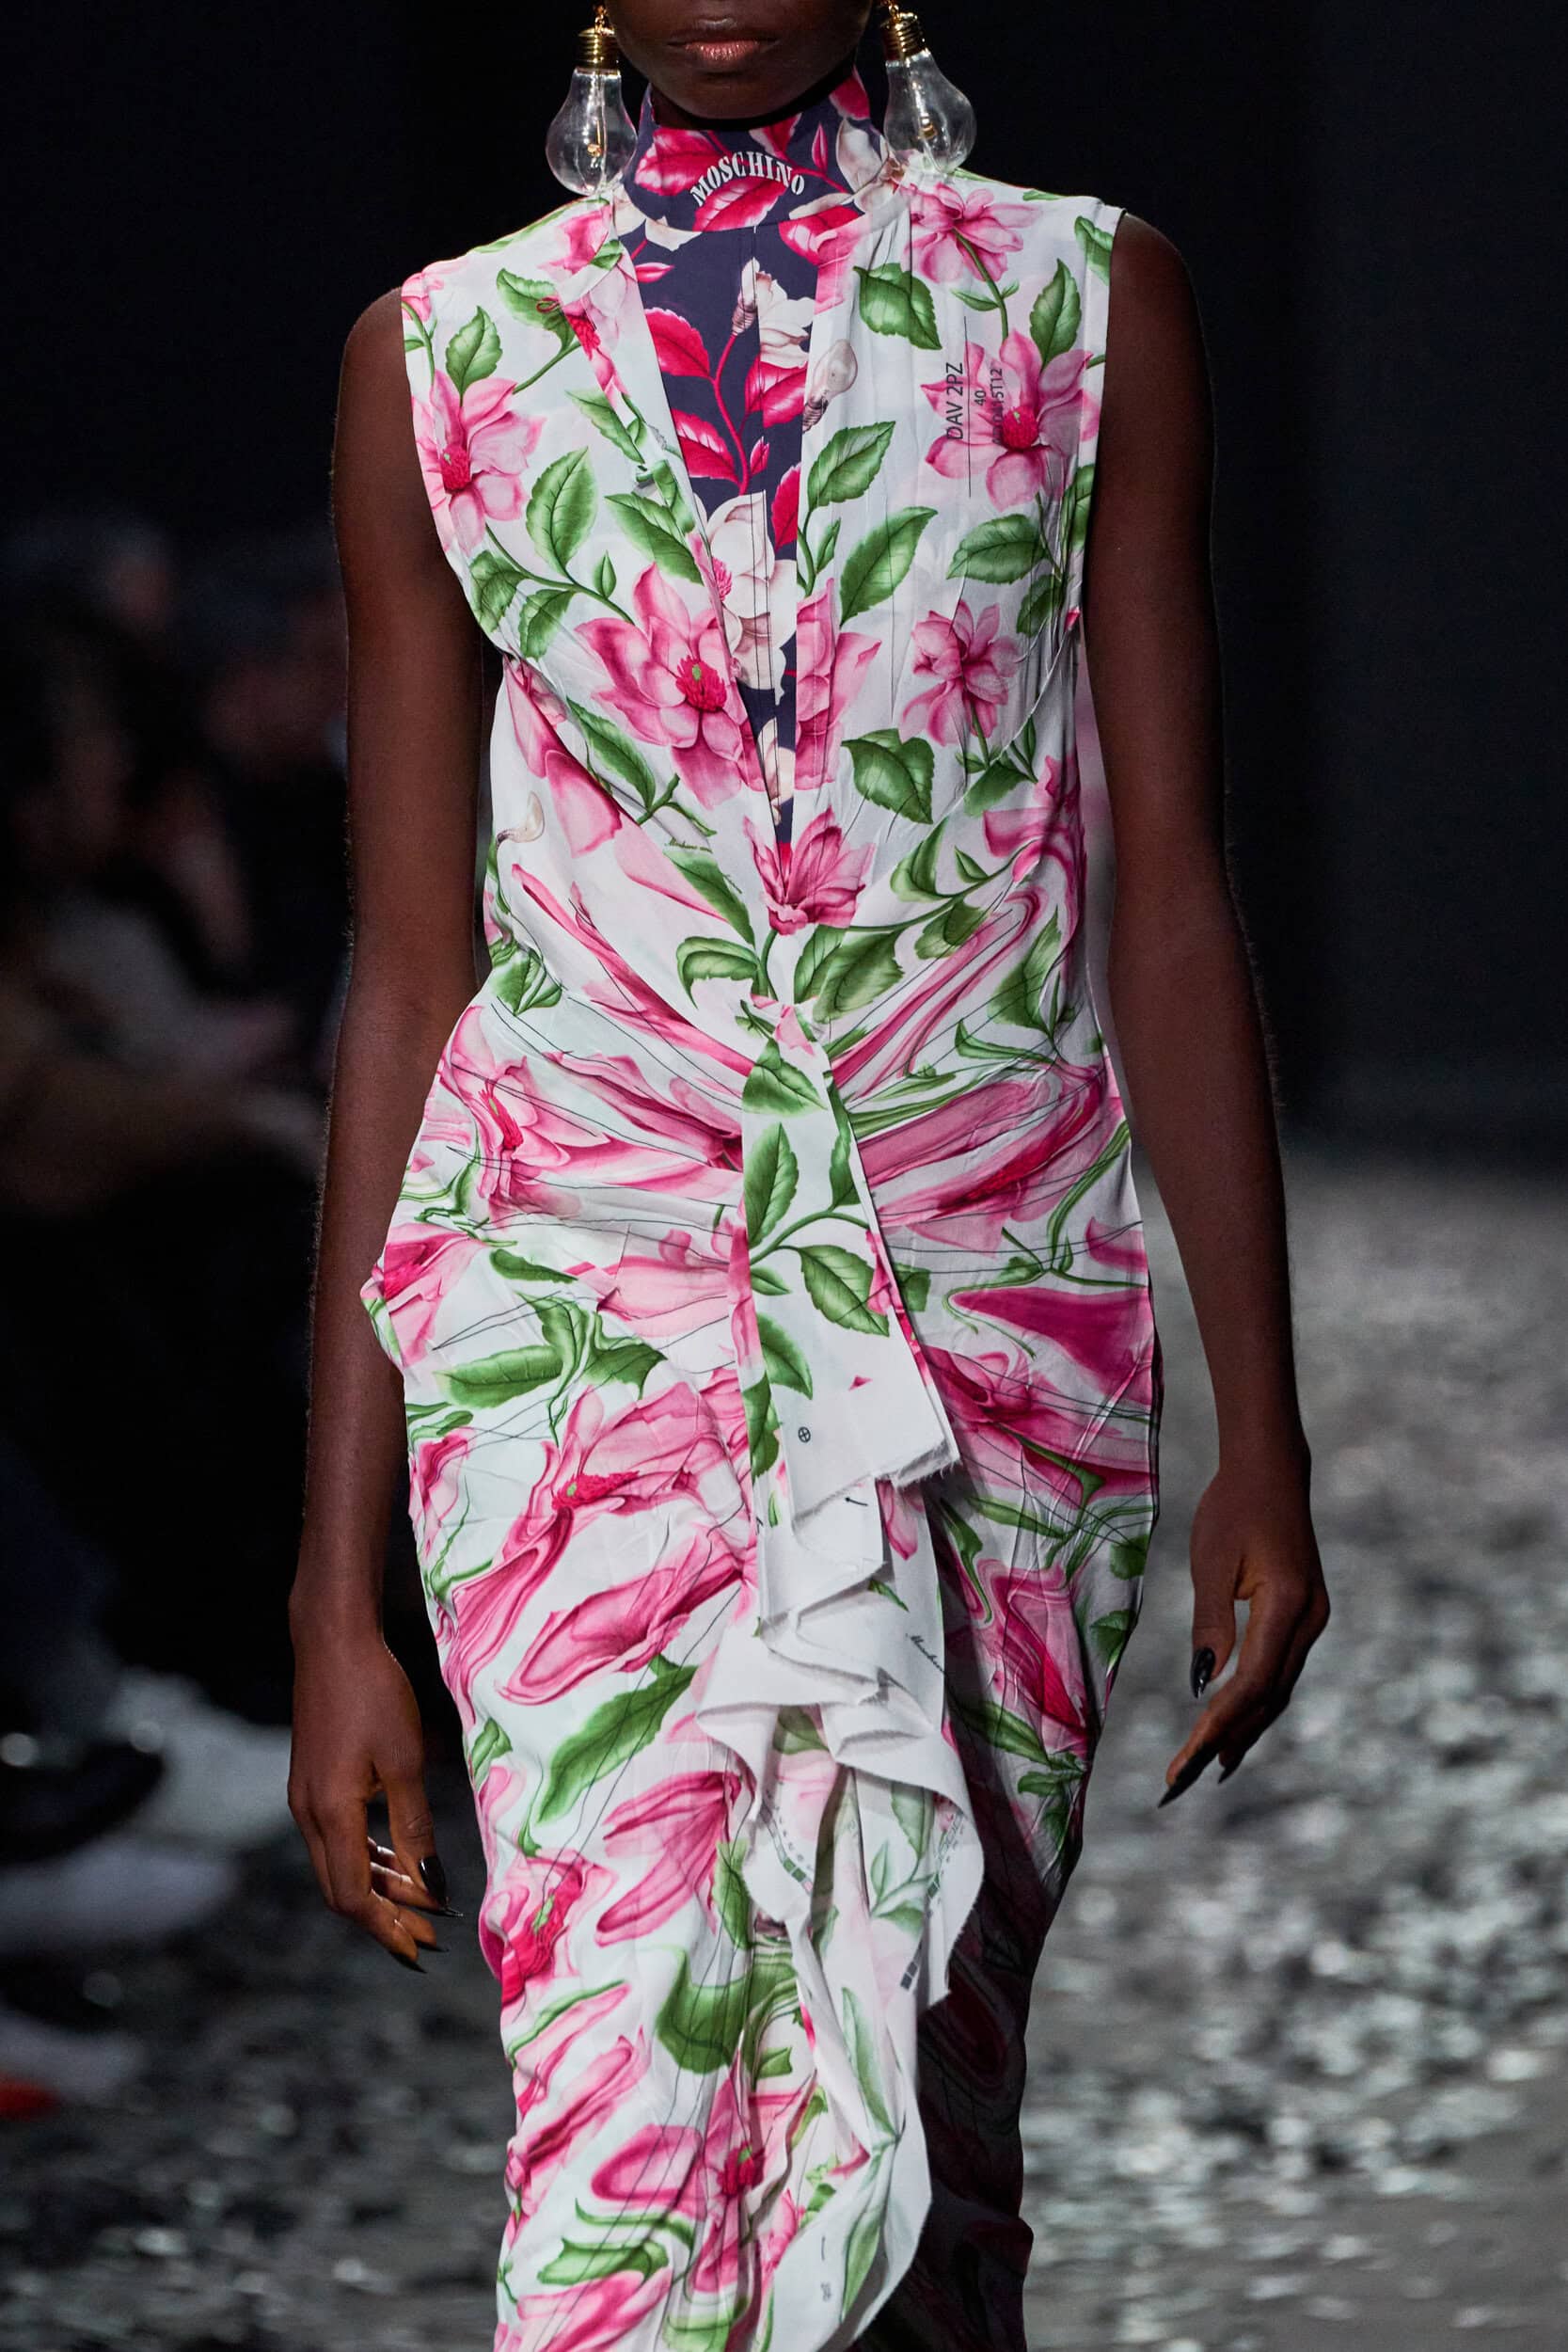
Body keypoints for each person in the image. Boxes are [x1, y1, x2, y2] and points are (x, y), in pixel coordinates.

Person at [288, 5, 1330, 2346]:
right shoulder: (441, 354)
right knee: (622, 2118)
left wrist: (1262, 1429)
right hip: (578, 1321)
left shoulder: (1084, 298)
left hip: (992, 1308)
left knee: (938, 2115)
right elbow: (413, 971)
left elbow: (1169, 881)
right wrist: (330, 1591)